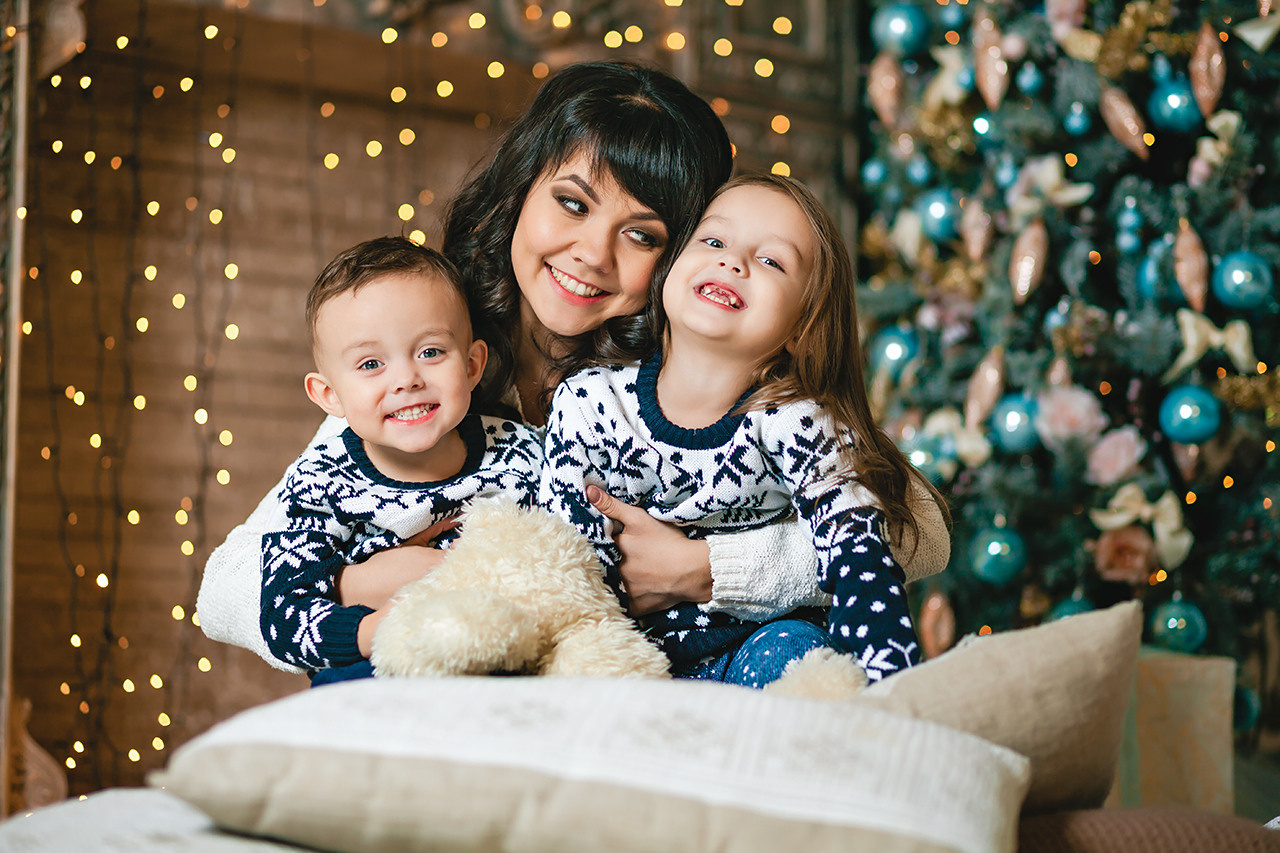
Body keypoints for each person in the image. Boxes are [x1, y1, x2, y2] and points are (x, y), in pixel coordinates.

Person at [197, 61, 949, 675]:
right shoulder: (424, 359)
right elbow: (224, 588)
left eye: (642, 234)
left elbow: (921, 531)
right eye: (572, 203)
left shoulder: (690, 372)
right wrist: (355, 582)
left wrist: (707, 568)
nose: (592, 253)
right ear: (521, 190)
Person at [540, 174, 950, 686]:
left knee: (799, 653)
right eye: (714, 241)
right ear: (669, 271)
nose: (733, 262)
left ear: (802, 327)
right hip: (626, 654)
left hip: (756, 647)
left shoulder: (799, 421)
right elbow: (562, 558)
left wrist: (891, 686)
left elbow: (860, 556)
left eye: (772, 261)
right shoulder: (591, 402)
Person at [258, 237, 542, 683]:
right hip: (376, 668)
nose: (407, 379)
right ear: (329, 395)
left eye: (430, 352)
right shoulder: (320, 483)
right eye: (371, 364)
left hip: (502, 661)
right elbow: (283, 615)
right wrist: (377, 630)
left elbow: (573, 554)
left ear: (472, 365)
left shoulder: (520, 452)